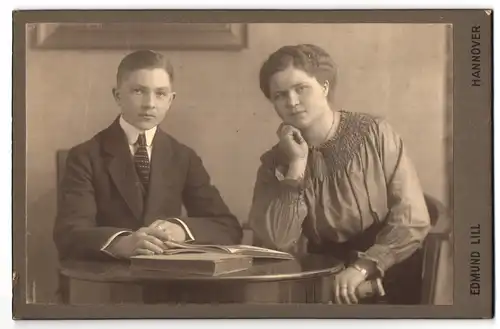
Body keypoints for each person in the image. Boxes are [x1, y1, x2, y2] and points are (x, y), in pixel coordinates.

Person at [248, 44, 431, 305]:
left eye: (301, 89)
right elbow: (276, 243)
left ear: (324, 86)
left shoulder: (374, 133)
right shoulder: (274, 162)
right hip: (323, 281)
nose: (292, 102)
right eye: (280, 95)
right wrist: (297, 165)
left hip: (387, 273)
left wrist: (363, 268)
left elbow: (413, 219)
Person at [53, 50, 242, 262]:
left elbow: (228, 227)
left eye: (160, 94)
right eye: (138, 91)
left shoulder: (183, 157)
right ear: (118, 96)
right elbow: (69, 233)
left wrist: (181, 230)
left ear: (171, 100)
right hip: (108, 281)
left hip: (168, 281)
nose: (149, 103)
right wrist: (121, 243)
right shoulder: (85, 156)